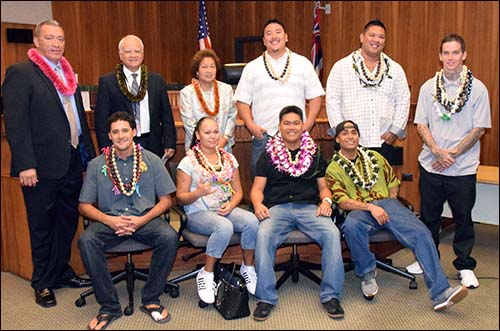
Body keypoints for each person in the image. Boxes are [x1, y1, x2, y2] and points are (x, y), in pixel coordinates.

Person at [325, 120, 469, 312]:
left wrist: (390, 202)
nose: (350, 136)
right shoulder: (333, 168)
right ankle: (367, 274)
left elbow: (393, 181)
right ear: (337, 138)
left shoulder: (374, 157)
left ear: (359, 137)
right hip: (359, 210)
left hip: (387, 205)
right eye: (345, 133)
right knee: (351, 227)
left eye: (354, 133)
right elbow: (342, 201)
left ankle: (441, 293)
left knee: (421, 232)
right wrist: (371, 208)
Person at [2, 19, 96, 308]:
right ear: (36, 41)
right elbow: (16, 123)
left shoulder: (67, 73)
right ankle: (41, 282)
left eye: (61, 38)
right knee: (41, 227)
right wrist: (26, 164)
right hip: (40, 168)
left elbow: (78, 119)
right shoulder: (21, 73)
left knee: (67, 222)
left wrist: (89, 159)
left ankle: (61, 271)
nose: (56, 43)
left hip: (71, 161)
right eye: (50, 38)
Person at [405, 34, 491, 288]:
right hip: (431, 164)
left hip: (462, 168)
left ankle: (464, 265)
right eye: (446, 53)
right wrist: (437, 151)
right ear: (440, 56)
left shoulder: (479, 89)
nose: (450, 58)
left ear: (464, 55)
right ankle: (426, 260)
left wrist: (451, 154)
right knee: (429, 218)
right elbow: (421, 124)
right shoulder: (428, 87)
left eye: (455, 53)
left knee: (463, 218)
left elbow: (479, 129)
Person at [78, 112, 178, 330]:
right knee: (86, 241)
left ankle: (151, 298)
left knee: (169, 237)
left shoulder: (151, 160)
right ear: (109, 136)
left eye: (125, 130)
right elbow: (84, 206)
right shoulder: (96, 165)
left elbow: (166, 201)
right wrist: (109, 221)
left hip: (145, 219)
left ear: (134, 132)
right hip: (109, 221)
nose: (121, 135)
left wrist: (141, 220)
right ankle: (109, 306)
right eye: (115, 131)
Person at [250, 106, 345, 321]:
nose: (291, 127)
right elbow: (257, 189)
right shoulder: (267, 155)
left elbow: (323, 188)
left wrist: (327, 201)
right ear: (280, 126)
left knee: (332, 233)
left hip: (309, 208)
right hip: (277, 208)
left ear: (302, 126)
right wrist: (257, 204)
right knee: (263, 235)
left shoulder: (315, 153)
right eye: (287, 123)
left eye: (295, 123)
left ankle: (331, 296)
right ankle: (266, 298)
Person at [176, 117, 259, 304]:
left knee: (252, 221)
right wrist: (198, 192)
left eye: (215, 132)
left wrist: (232, 204)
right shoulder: (187, 162)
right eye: (207, 133)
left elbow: (239, 192)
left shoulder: (229, 158)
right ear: (197, 135)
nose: (213, 136)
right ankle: (206, 273)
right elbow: (180, 197)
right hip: (197, 212)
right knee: (224, 226)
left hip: (224, 208)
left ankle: (248, 268)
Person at [234, 18, 325, 175]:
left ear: (286, 37)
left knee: (297, 184)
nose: (273, 36)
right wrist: (251, 125)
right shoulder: (252, 67)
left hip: (296, 135)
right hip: (263, 135)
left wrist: (308, 124)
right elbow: (242, 100)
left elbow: (316, 96)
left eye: (278, 32)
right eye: (268, 33)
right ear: (264, 40)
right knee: (261, 183)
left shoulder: (302, 63)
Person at [325, 19, 410, 164]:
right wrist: (343, 133)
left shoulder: (395, 69)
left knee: (382, 186)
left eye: (381, 37)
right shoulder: (341, 67)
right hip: (350, 144)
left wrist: (394, 132)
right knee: (350, 186)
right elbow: (332, 101)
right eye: (372, 35)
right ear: (362, 37)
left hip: (383, 142)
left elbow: (403, 100)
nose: (376, 40)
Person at [94, 34, 176, 159]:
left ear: (143, 54)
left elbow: (166, 115)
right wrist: (106, 148)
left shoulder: (156, 80)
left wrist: (170, 142)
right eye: (128, 51)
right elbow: (101, 120)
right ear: (120, 55)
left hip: (152, 143)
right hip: (121, 145)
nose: (133, 55)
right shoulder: (108, 82)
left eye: (137, 51)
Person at [180, 49, 237, 152]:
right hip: (198, 149)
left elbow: (232, 116)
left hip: (223, 147)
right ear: (197, 71)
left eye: (212, 66)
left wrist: (223, 140)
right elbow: (189, 124)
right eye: (204, 67)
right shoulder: (187, 93)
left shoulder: (226, 90)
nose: (209, 71)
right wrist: (207, 145)